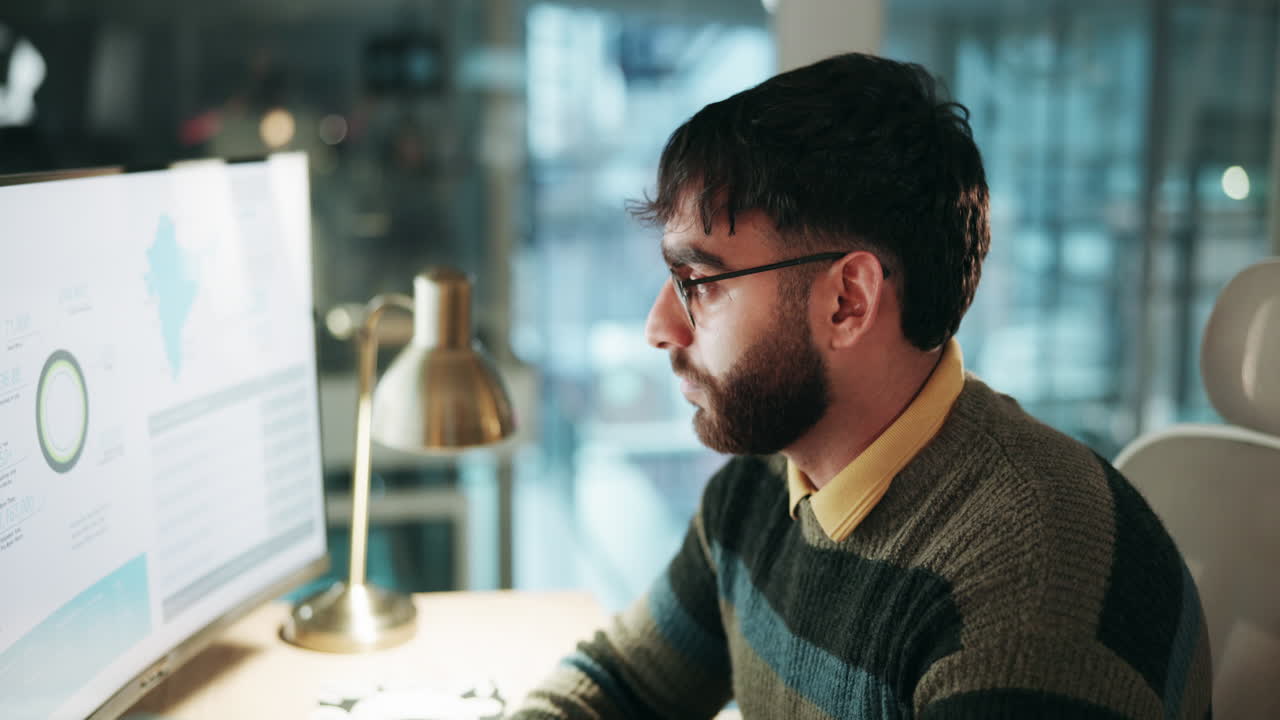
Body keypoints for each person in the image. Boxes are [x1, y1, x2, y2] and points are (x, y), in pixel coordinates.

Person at [511, 52, 1212, 719]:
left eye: (698, 282)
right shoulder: (766, 482)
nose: (659, 327)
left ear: (848, 301)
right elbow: (620, 683)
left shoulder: (1031, 591)